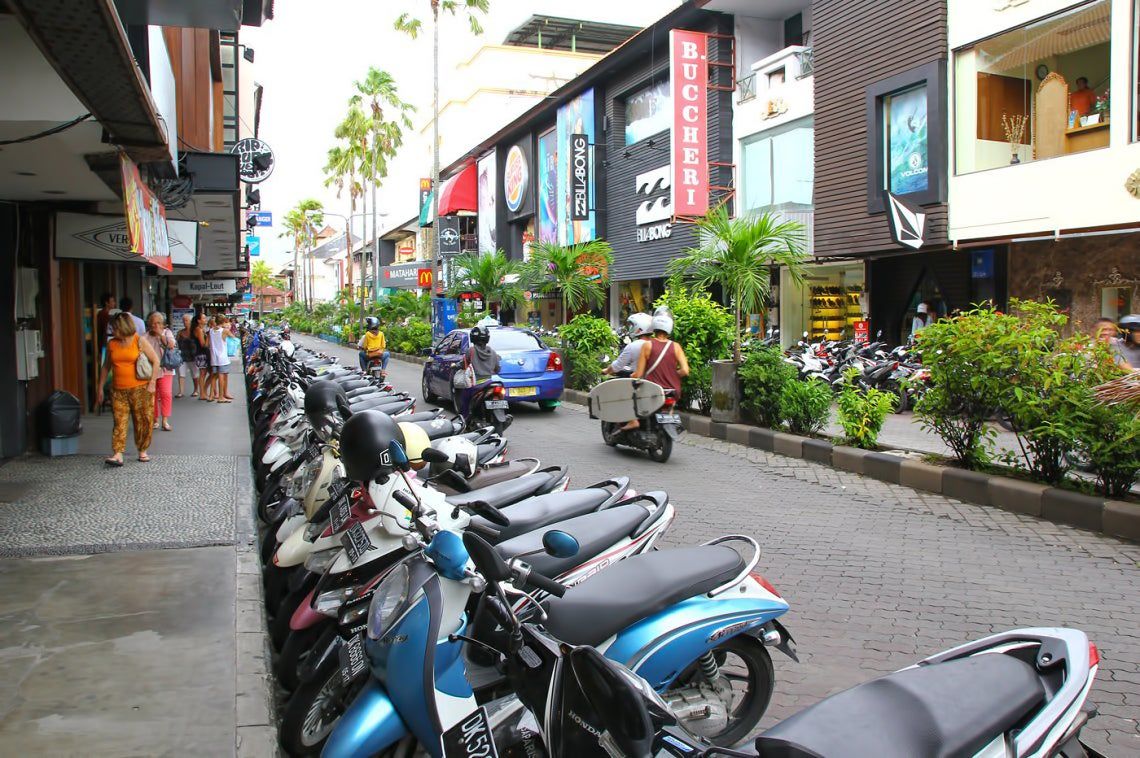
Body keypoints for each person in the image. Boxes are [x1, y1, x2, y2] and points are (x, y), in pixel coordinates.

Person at [96, 312, 159, 466]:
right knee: (119, 421)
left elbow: (156, 360)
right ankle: (118, 454)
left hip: (140, 388)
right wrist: (100, 387)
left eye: (115, 328)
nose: (113, 331)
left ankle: (142, 450)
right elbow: (106, 367)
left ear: (123, 327)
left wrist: (152, 383)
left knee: (143, 421)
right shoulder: (112, 344)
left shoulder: (139, 341)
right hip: (118, 390)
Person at [628, 309, 690, 431]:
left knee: (630, 393)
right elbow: (685, 370)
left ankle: (633, 421)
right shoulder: (676, 346)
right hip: (672, 390)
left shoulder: (647, 345)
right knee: (670, 407)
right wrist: (672, 374)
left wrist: (632, 376)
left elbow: (639, 373)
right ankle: (669, 418)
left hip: (653, 389)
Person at [457, 325, 501, 419]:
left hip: (475, 385)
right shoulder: (492, 352)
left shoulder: (471, 351)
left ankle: (464, 420)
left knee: (464, 399)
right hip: (490, 383)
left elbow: (464, 365)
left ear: (473, 338)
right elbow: (497, 369)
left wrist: (455, 366)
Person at [145, 312, 176, 431]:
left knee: (166, 394)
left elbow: (171, 345)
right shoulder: (145, 336)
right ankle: (155, 419)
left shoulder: (167, 333)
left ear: (163, 324)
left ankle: (165, 420)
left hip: (165, 369)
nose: (155, 325)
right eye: (153, 323)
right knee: (152, 395)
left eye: (158, 323)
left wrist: (161, 335)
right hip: (150, 370)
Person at [208, 315, 234, 402]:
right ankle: (221, 397)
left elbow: (208, 343)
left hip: (214, 357)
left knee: (214, 377)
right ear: (224, 321)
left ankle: (211, 395)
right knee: (221, 376)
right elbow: (233, 338)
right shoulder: (224, 331)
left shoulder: (211, 331)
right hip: (222, 358)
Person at [176, 313, 198, 398]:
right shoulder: (180, 333)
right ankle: (181, 391)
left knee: (195, 374)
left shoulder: (195, 332)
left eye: (186, 320)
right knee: (181, 374)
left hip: (193, 356)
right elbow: (176, 343)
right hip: (182, 356)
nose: (185, 322)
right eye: (183, 320)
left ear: (190, 321)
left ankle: (196, 390)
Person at [194, 313, 214, 401]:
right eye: (204, 318)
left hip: (204, 353)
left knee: (211, 373)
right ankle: (202, 393)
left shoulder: (201, 329)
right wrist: (209, 337)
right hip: (201, 354)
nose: (205, 319)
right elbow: (203, 344)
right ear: (199, 320)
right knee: (203, 373)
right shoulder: (198, 329)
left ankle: (204, 391)